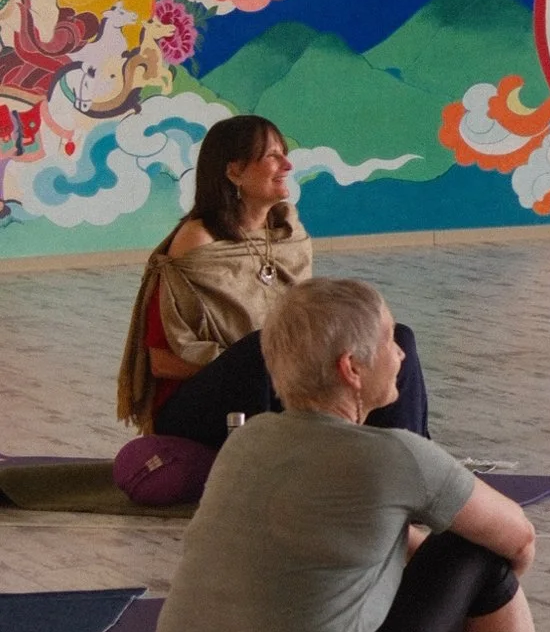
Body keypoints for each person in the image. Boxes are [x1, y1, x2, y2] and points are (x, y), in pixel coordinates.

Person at [147, 277, 550, 632]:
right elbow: (518, 538)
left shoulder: (245, 440)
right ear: (352, 368)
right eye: (390, 340)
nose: (401, 355)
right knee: (475, 550)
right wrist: (478, 597)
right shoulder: (396, 457)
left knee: (365, 567)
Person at [115, 112, 429, 448]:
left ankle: (405, 458)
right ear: (234, 171)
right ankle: (271, 467)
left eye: (285, 154)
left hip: (277, 383)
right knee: (261, 348)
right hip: (195, 407)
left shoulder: (286, 234)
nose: (287, 166)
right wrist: (271, 365)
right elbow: (161, 362)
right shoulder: (196, 243)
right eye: (272, 156)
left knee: (395, 340)